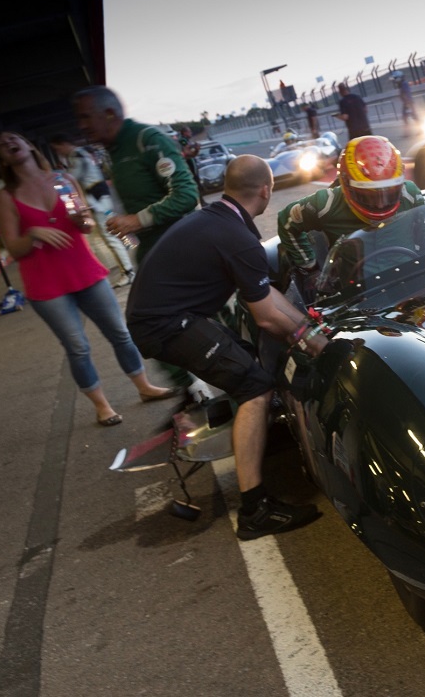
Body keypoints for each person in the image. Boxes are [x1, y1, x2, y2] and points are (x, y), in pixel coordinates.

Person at [125, 155, 329, 539]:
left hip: (165, 314)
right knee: (254, 386)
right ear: (265, 191)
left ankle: (256, 441)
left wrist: (309, 327)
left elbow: (265, 293)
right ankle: (256, 510)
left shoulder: (217, 220)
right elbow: (267, 316)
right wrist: (314, 342)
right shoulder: (237, 238)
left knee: (247, 363)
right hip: (164, 324)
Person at [0, 131, 176, 426]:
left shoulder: (62, 180)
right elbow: (13, 247)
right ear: (1, 158)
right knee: (77, 346)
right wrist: (33, 233)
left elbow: (87, 223)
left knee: (120, 333)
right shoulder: (6, 196)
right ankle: (102, 406)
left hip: (85, 271)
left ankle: (144, 387)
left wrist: (84, 220)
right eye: (2, 145)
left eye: (14, 138)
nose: (9, 144)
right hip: (46, 285)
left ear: (29, 144)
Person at [277, 135, 425, 304]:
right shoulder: (325, 203)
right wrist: (310, 268)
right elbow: (286, 222)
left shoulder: (410, 193)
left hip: (413, 287)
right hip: (358, 297)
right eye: (370, 196)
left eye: (389, 194)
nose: (380, 204)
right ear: (346, 185)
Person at [71, 86, 199, 263]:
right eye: (79, 119)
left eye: (86, 117)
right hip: (153, 250)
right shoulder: (113, 151)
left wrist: (137, 220)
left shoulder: (147, 139)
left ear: (109, 114)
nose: (81, 126)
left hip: (183, 248)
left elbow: (186, 195)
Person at [49, 133, 135, 286]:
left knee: (109, 235)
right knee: (112, 231)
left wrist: (56, 176)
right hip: (100, 197)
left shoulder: (77, 156)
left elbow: (71, 178)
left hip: (96, 199)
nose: (58, 152)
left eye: (57, 148)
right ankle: (129, 248)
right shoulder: (81, 153)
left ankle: (128, 271)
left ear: (63, 143)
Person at [177, 126, 205, 207]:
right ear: (185, 133)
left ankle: (201, 201)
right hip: (188, 167)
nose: (191, 133)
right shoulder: (183, 140)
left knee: (198, 184)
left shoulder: (187, 141)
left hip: (192, 166)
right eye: (189, 132)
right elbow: (188, 151)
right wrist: (194, 147)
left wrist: (196, 149)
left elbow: (192, 153)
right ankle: (199, 203)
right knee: (195, 185)